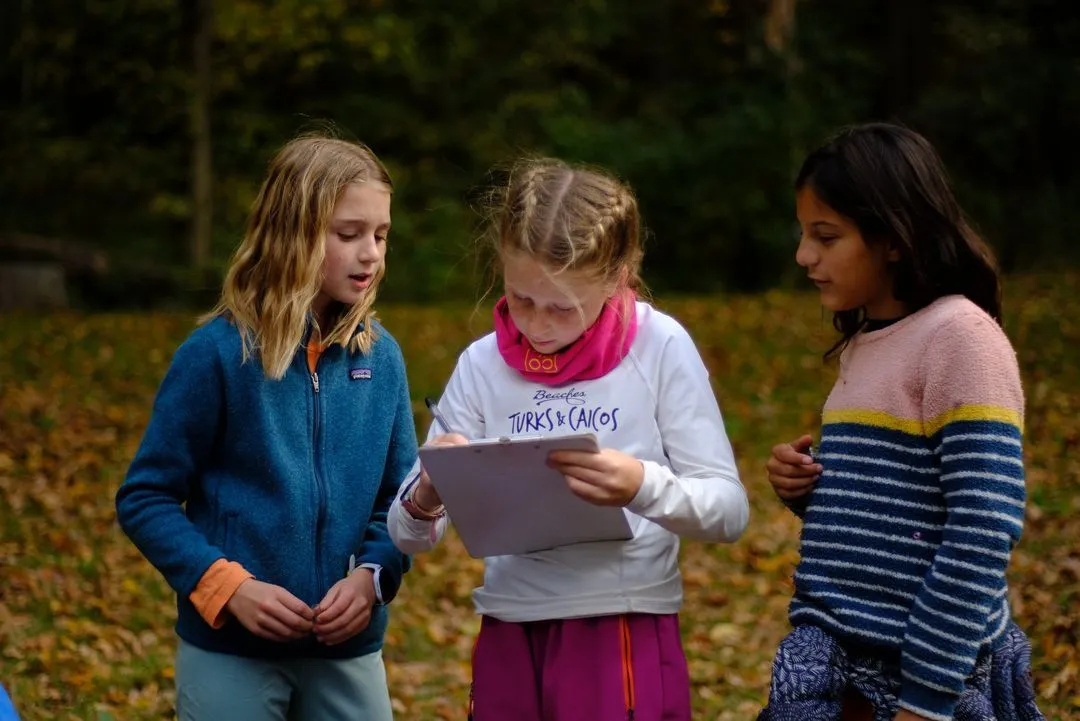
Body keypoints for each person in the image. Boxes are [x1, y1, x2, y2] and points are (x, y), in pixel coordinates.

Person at [388, 158, 749, 720]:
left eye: (562, 307)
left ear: (616, 277)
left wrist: (640, 486)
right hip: (510, 621)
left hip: (620, 619)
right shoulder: (482, 364)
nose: (536, 325)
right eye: (520, 299)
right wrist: (430, 490)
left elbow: (728, 511)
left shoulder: (659, 345)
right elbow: (409, 535)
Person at [115, 135, 417, 721]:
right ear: (291, 232)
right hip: (232, 652)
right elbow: (145, 497)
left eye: (380, 235)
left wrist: (374, 577)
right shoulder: (217, 355)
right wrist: (227, 587)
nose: (371, 254)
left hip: (347, 651)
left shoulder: (382, 360)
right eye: (348, 233)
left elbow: (400, 500)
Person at [760, 123, 1044, 721]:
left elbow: (981, 526)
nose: (803, 255)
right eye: (804, 233)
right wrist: (811, 489)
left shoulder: (960, 338)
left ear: (893, 237)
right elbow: (901, 508)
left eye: (826, 236)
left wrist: (926, 700)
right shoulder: (870, 338)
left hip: (917, 679)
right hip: (845, 662)